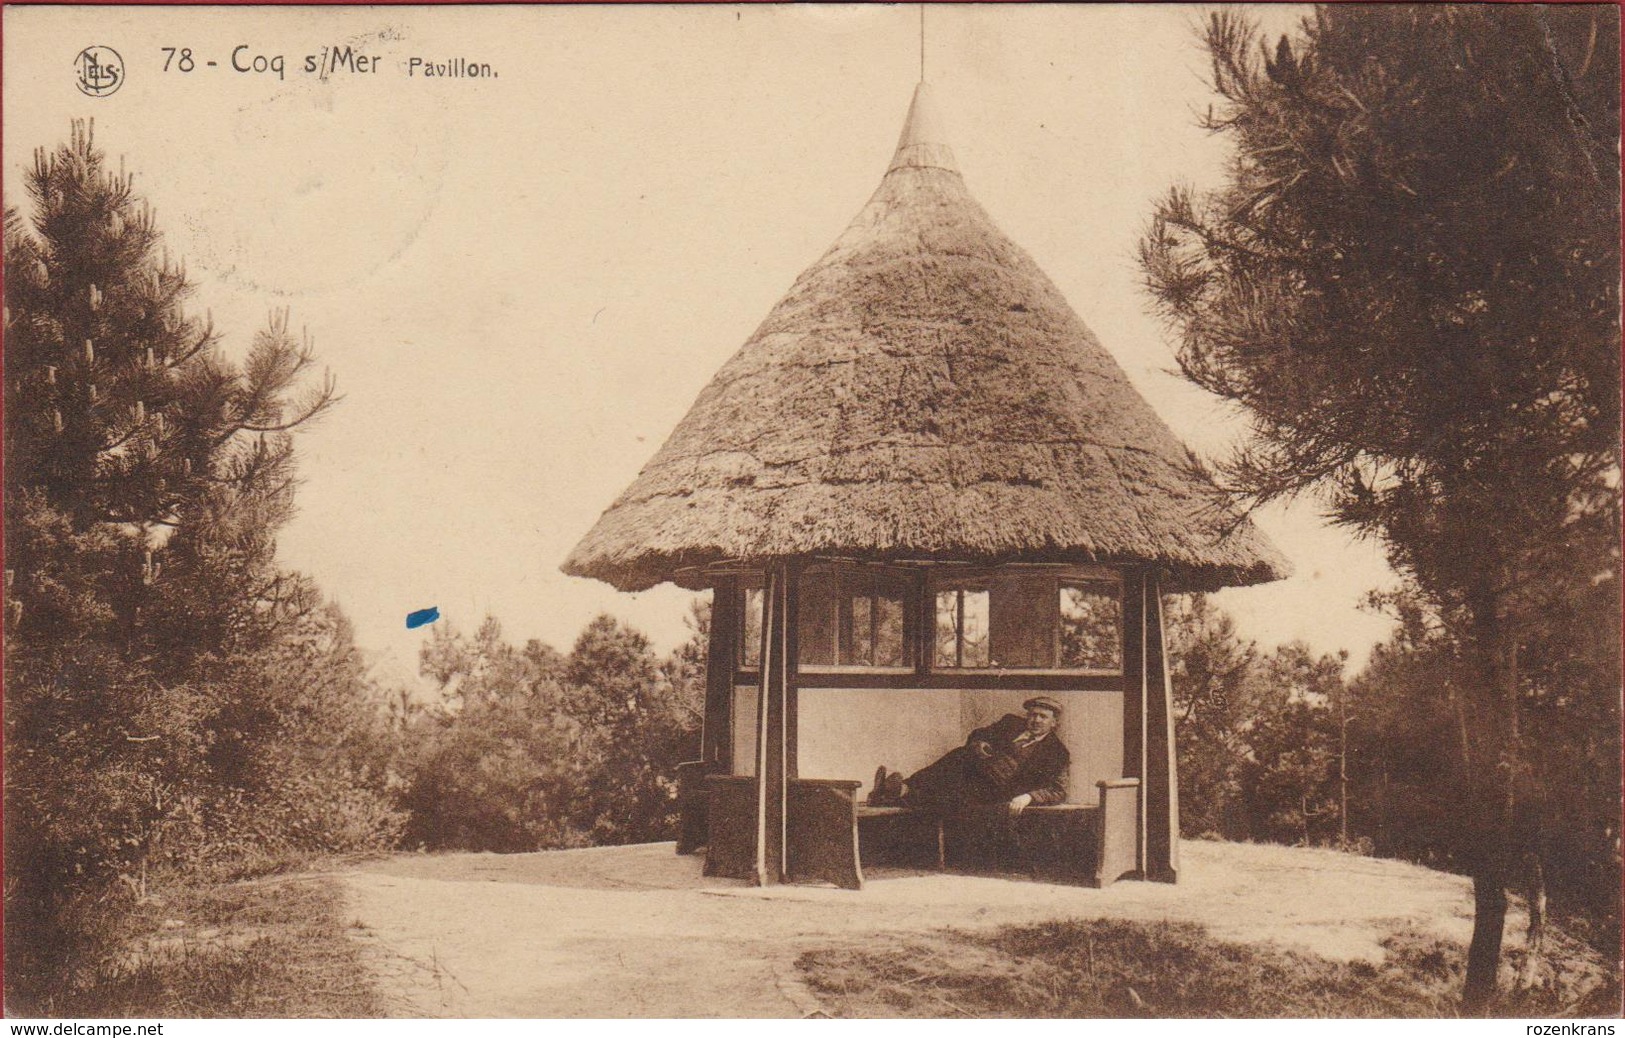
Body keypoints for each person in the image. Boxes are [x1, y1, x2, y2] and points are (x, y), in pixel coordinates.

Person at [869, 697, 1069, 818]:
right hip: (978, 768)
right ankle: (901, 789)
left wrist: (1028, 797)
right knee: (960, 755)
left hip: (1001, 790)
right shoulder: (1011, 723)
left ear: (1055, 723)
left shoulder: (1056, 752)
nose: (1035, 720)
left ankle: (896, 793)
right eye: (1032, 715)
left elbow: (1058, 791)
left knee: (957, 795)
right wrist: (980, 742)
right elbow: (979, 733)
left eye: (1043, 717)